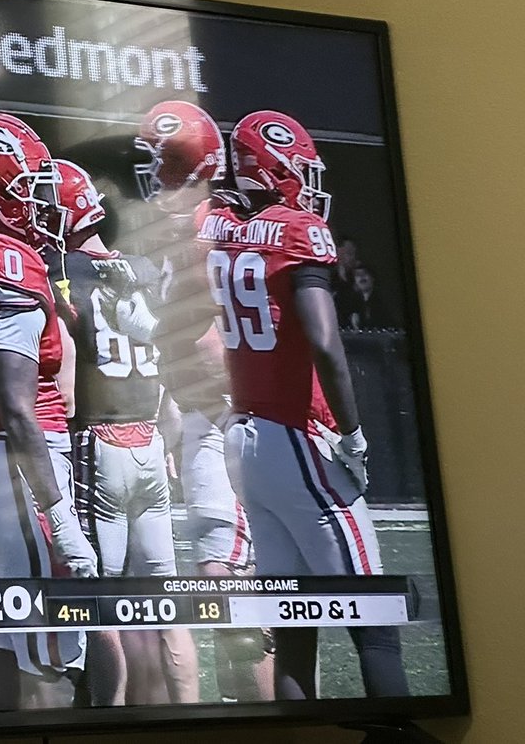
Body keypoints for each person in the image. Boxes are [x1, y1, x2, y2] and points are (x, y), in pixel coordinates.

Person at [200, 109, 409, 700]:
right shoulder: (297, 230)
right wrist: (354, 432)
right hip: (296, 432)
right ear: (277, 166)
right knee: (376, 616)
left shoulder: (219, 226)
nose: (311, 181)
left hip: (245, 438)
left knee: (295, 623)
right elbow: (323, 339)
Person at [0, 112, 96, 710]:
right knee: (52, 664)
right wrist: (59, 515)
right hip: (23, 471)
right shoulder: (5, 258)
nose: (43, 201)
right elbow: (19, 406)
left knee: (9, 653)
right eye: (29, 186)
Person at [134, 100, 273, 704]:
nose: (147, 175)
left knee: (235, 594)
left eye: (156, 161)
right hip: (198, 416)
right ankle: (239, 711)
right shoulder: (177, 229)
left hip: (228, 414)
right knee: (218, 587)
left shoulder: (217, 227)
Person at [46, 158, 199, 707]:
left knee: (98, 596)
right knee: (167, 599)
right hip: (152, 441)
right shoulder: (142, 268)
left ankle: (105, 719)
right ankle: (190, 714)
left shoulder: (58, 271)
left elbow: (62, 389)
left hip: (99, 442)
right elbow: (169, 380)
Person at [349, 264, 397, 330]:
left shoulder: (385, 298)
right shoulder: (355, 301)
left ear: (372, 278)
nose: (361, 277)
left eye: (364, 273)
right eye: (357, 275)